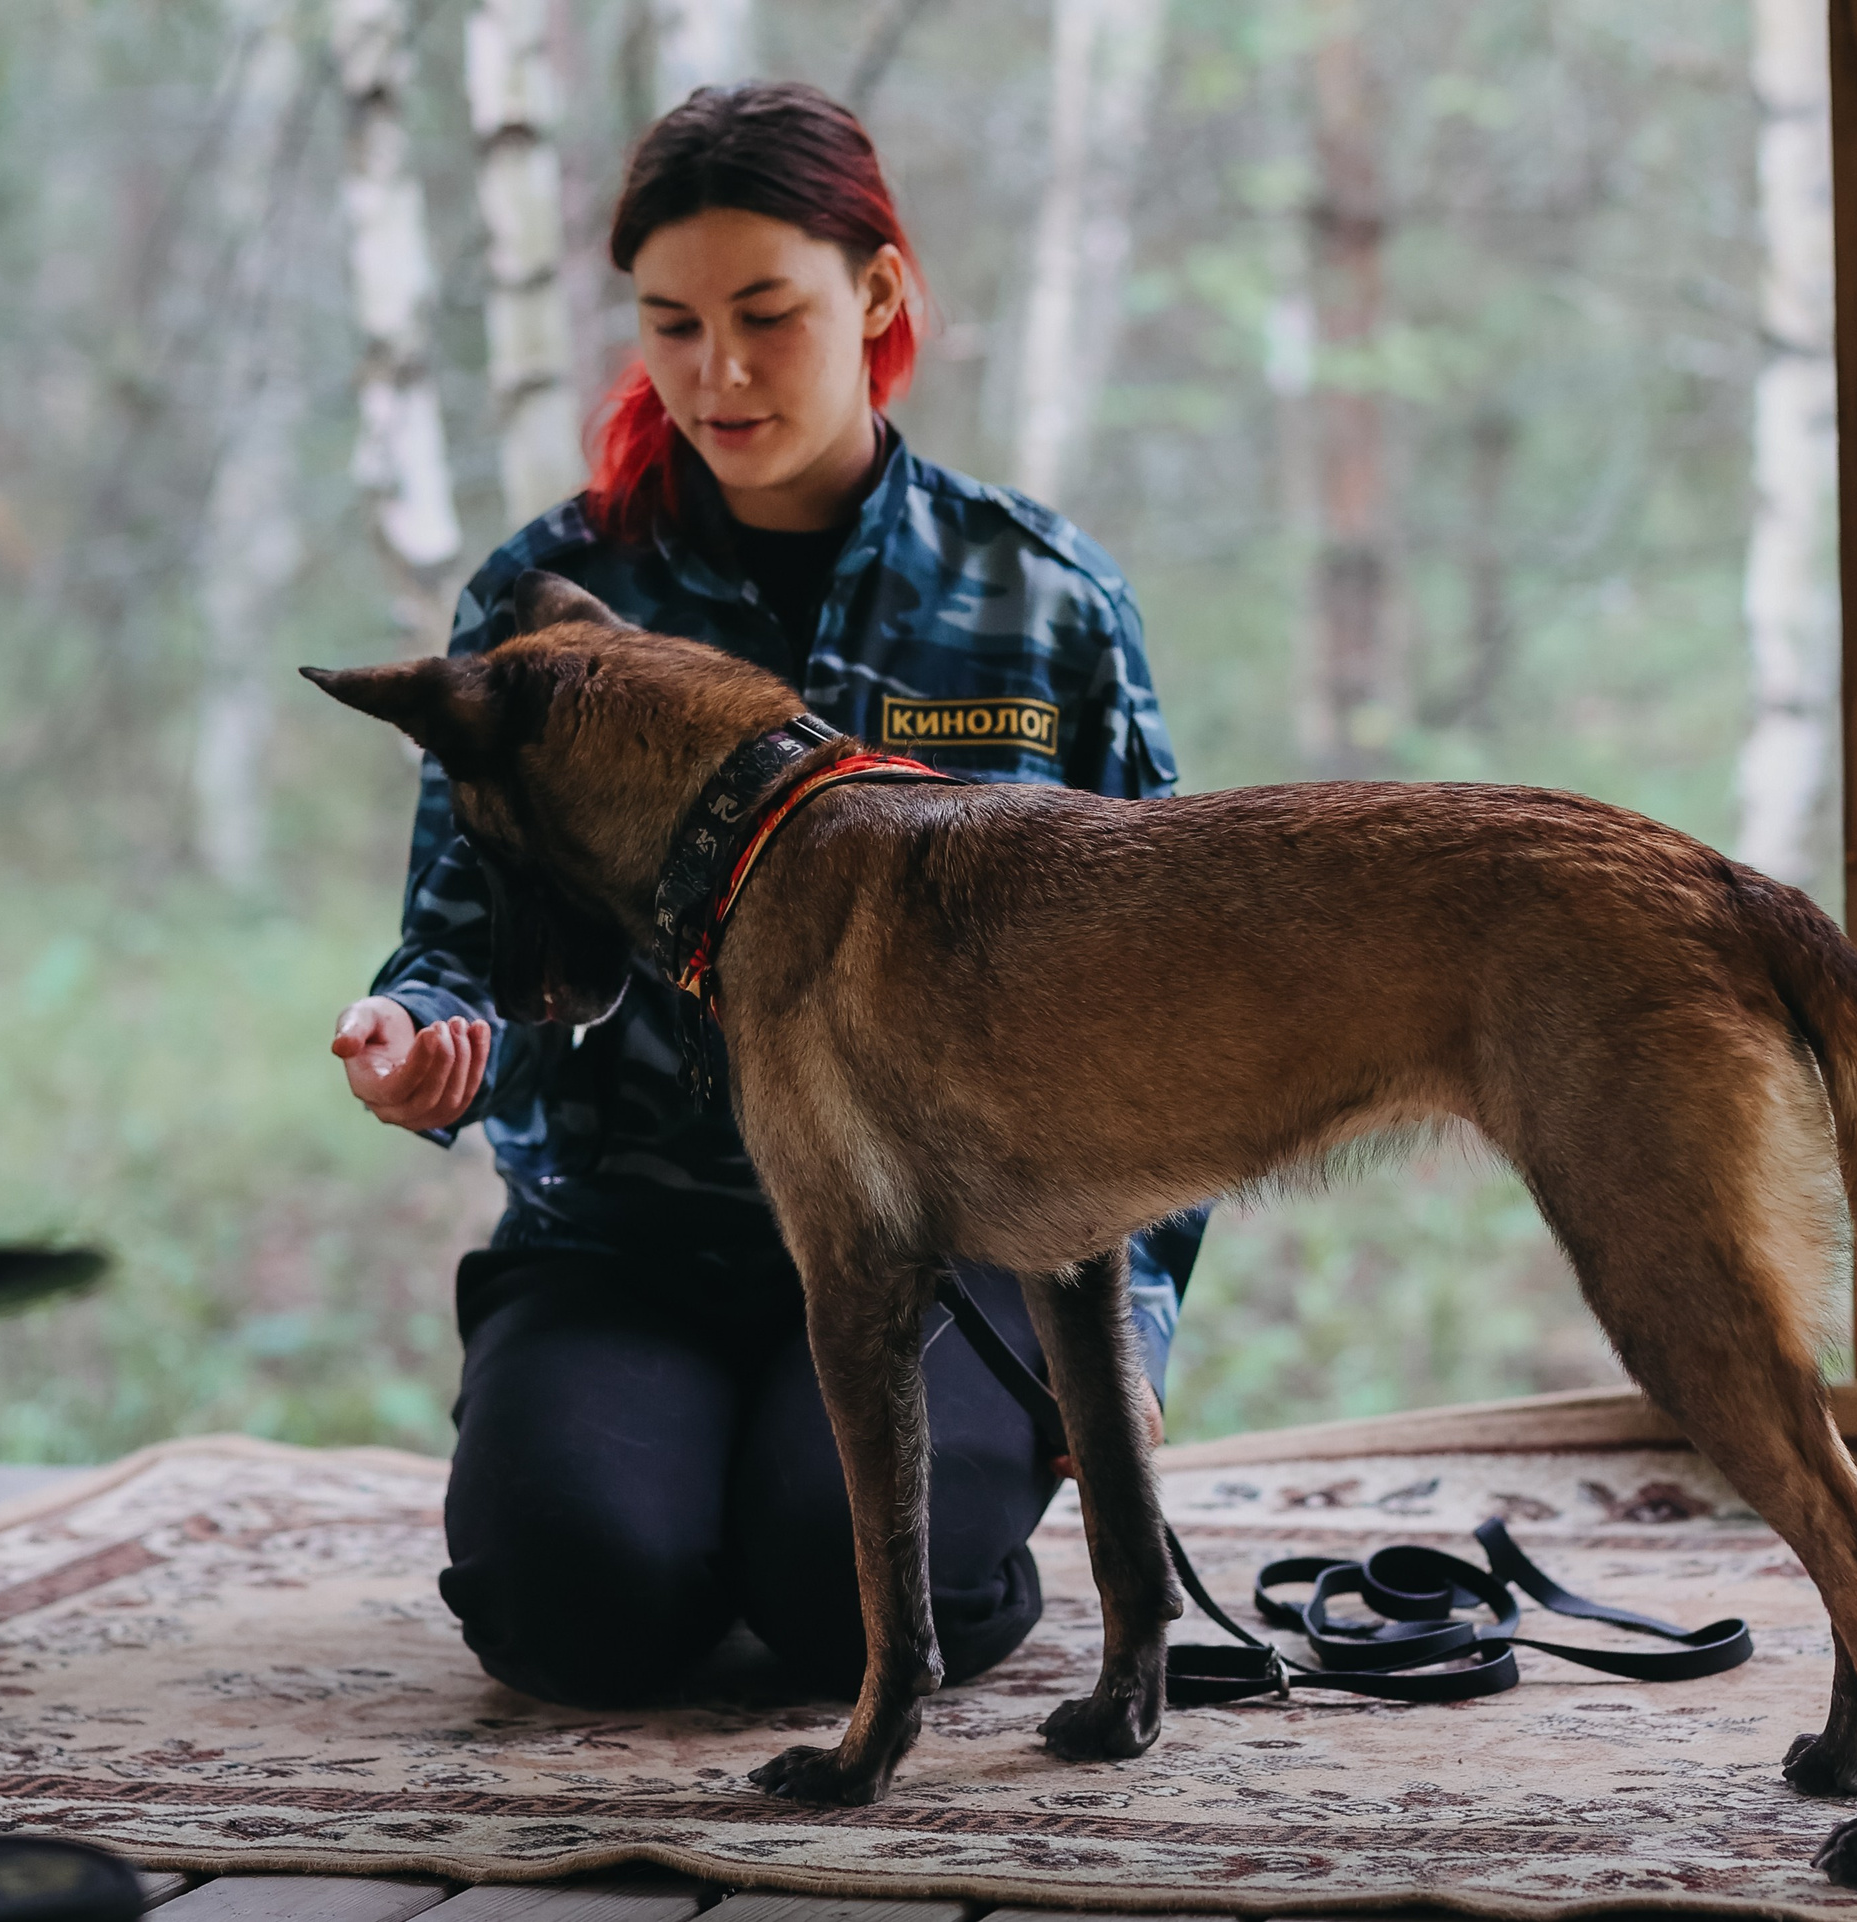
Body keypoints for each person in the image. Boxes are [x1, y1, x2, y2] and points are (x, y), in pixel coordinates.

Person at [327, 82, 1204, 1709]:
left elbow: (1158, 996)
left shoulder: (1045, 602)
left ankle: (801, 1512)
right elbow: (466, 944)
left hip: (944, 1242)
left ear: (874, 296)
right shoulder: (549, 601)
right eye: (671, 324)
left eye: (765, 315)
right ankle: (674, 1491)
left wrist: (1131, 1338)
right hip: (630, 1246)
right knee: (569, 1605)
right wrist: (420, 1036)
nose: (716, 373)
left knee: (852, 1595)